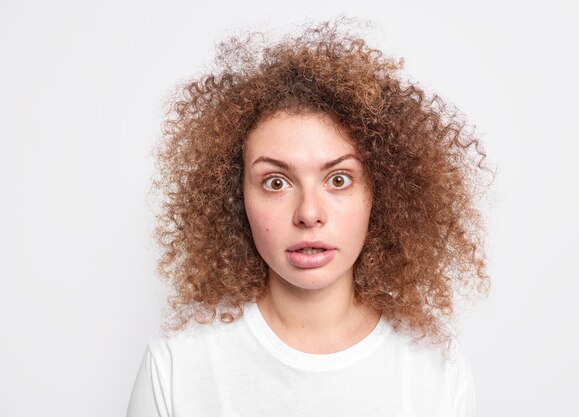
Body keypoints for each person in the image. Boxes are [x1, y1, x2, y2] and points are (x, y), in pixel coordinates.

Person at [127, 19, 490, 417]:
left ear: (380, 193)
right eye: (276, 182)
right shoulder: (178, 365)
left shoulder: (435, 366)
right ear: (236, 197)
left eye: (338, 179)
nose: (309, 214)